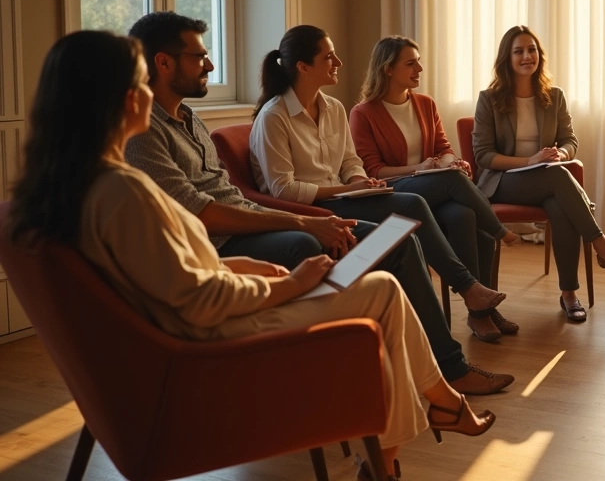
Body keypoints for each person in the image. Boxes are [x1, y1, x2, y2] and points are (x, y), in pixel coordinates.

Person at [6, 31, 498, 478]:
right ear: (121, 97)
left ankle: (411, 436)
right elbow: (202, 300)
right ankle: (433, 411)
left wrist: (240, 266)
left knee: (379, 282)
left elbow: (168, 274)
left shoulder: (72, 189)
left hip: (201, 321)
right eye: (140, 83)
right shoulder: (124, 191)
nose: (148, 95)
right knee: (382, 293)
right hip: (214, 343)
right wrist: (290, 284)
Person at [124, 12, 512, 395]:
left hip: (268, 217)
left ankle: (441, 366)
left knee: (400, 239)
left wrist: (356, 186)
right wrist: (303, 221)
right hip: (226, 242)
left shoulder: (190, 119)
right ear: (164, 62)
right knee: (313, 241)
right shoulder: (144, 132)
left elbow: (235, 192)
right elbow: (204, 213)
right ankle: (367, 359)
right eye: (199, 57)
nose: (210, 65)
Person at [248, 25, 511, 335]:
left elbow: (351, 162)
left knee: (449, 211)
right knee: (414, 203)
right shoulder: (274, 117)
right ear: (303, 67)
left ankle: (474, 301)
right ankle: (471, 286)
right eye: (329, 57)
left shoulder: (333, 108)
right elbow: (283, 190)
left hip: (346, 197)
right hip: (314, 208)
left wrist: (361, 182)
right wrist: (349, 187)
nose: (339, 62)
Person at [351, 36, 522, 342]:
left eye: (418, 61)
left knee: (464, 215)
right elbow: (373, 170)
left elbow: (443, 147)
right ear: (388, 69)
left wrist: (451, 161)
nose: (419, 68)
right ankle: (499, 231)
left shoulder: (425, 104)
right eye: (411, 63)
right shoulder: (363, 113)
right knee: (455, 183)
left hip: (435, 187)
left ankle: (480, 311)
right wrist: (421, 168)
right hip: (397, 189)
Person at [472, 25, 605, 322]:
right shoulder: (489, 98)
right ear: (507, 58)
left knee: (561, 206)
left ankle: (569, 294)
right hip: (502, 182)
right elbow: (483, 155)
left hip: (545, 180)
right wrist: (529, 160)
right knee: (558, 178)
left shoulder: (554, 96)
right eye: (519, 51)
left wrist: (562, 154)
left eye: (532, 50)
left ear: (540, 55)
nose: (527, 56)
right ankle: (602, 245)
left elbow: (569, 140)